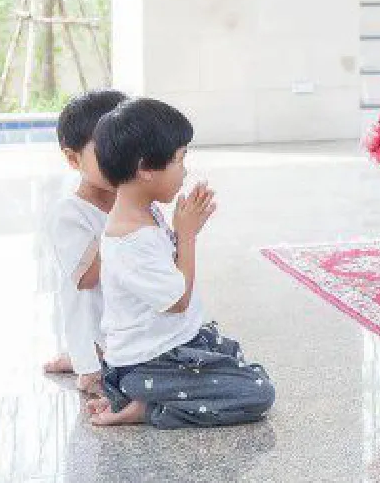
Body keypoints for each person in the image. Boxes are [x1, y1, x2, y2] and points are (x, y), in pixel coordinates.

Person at [87, 97, 275, 428]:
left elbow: (168, 273)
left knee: (234, 357)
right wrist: (186, 237)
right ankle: (145, 408)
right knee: (258, 392)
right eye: (179, 159)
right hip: (149, 362)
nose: (185, 169)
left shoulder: (144, 213)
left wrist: (183, 231)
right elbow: (177, 301)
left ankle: (142, 393)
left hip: (170, 345)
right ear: (145, 168)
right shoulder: (129, 240)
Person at [42, 89, 129, 395]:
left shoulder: (137, 203)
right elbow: (86, 277)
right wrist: (126, 212)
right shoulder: (70, 213)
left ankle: (77, 354)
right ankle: (82, 360)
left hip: (129, 324)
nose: (122, 160)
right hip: (97, 332)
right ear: (72, 158)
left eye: (129, 149)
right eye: (107, 151)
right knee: (104, 385)